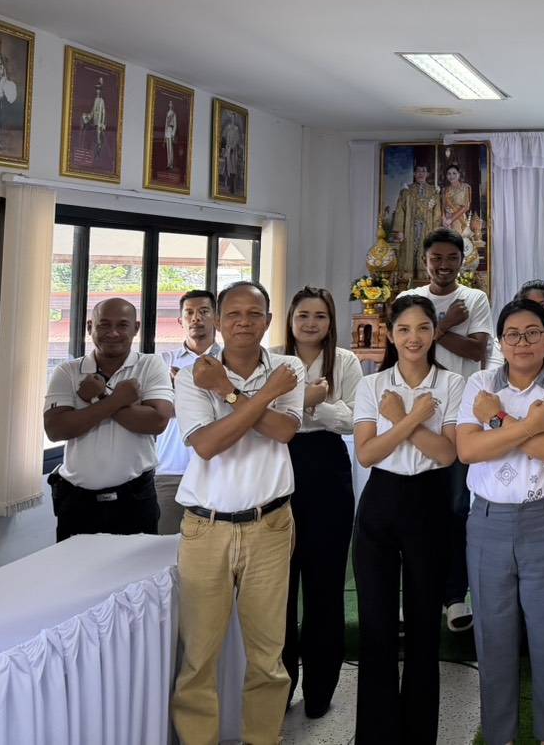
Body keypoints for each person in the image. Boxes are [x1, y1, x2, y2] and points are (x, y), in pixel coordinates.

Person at [171, 281, 302, 745]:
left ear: (268, 321)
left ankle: (263, 738)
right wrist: (258, 396)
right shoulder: (193, 374)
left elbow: (283, 432)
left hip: (270, 525)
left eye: (254, 313)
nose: (243, 322)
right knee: (199, 657)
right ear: (218, 321)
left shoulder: (288, 368)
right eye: (233, 314)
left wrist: (227, 392)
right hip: (205, 529)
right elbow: (208, 444)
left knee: (268, 656)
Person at [457, 299, 544, 745]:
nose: (523, 342)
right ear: (500, 341)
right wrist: (528, 425)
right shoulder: (480, 384)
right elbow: (468, 451)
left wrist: (495, 423)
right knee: (493, 635)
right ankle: (501, 736)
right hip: (488, 521)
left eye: (533, 332)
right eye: (512, 334)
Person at [352, 294, 462, 744]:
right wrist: (412, 419)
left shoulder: (452, 383)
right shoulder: (372, 385)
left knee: (423, 626)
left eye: (422, 328)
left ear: (434, 333)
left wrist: (404, 420)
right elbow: (367, 453)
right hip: (380, 502)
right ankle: (376, 735)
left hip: (430, 503)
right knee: (376, 624)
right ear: (390, 335)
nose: (413, 338)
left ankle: (419, 735)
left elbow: (448, 453)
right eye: (403, 329)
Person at [400, 228, 493, 630]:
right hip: (415, 414)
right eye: (436, 258)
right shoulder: (409, 299)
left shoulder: (474, 299)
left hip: (460, 416)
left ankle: (454, 595)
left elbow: (477, 350)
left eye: (451, 258)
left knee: (456, 508)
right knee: (415, 509)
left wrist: (435, 330)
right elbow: (406, 348)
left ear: (462, 261)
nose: (443, 265)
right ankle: (416, 592)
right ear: (425, 261)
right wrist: (446, 324)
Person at [281, 286, 362, 718]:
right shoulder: (273, 360)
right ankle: (279, 687)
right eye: (303, 315)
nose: (311, 323)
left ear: (331, 323)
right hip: (280, 468)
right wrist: (308, 401)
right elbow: (261, 416)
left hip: (328, 470)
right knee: (280, 588)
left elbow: (353, 419)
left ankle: (319, 689)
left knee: (324, 585)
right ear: (290, 319)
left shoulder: (345, 361)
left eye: (320, 316)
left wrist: (311, 408)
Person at [43, 297, 173, 541]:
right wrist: (118, 399)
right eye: (104, 325)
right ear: (90, 327)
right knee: (76, 565)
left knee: (137, 565)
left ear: (135, 328)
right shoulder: (68, 371)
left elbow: (157, 422)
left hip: (135, 499)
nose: (113, 333)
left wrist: (99, 396)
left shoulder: (150, 365)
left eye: (122, 325)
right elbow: (56, 429)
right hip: (76, 502)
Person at [154, 289, 218, 534]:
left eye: (204, 311)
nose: (196, 318)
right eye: (189, 313)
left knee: (212, 549)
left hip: (217, 469)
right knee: (164, 547)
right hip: (170, 471)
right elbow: (158, 411)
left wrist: (182, 386)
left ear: (216, 318)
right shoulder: (162, 361)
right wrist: (203, 391)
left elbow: (234, 410)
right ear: (180, 320)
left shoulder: (230, 361)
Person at [390, 163, 443, 283]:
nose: (421, 174)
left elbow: (437, 213)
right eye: (418, 171)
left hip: (427, 228)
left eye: (423, 171)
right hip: (410, 228)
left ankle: (424, 279)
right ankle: (406, 281)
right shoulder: (406, 191)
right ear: (414, 173)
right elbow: (400, 211)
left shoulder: (433, 192)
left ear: (427, 174)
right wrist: (399, 230)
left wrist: (435, 232)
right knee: (408, 253)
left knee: (425, 250)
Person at [440, 162, 474, 232]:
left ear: (459, 174)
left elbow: (466, 207)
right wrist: (443, 219)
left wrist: (451, 219)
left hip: (459, 219)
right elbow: (442, 206)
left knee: (458, 237)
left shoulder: (465, 187)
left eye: (454, 173)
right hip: (447, 220)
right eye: (449, 174)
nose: (451, 176)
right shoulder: (444, 189)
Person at [163, 100, 178, 171]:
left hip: (171, 131)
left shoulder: (174, 114)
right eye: (169, 103)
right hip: (167, 132)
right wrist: (165, 135)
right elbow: (166, 125)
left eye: (171, 103)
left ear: (173, 105)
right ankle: (168, 164)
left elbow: (175, 125)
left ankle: (171, 164)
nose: (170, 104)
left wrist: (173, 134)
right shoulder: (167, 113)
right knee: (168, 149)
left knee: (171, 149)